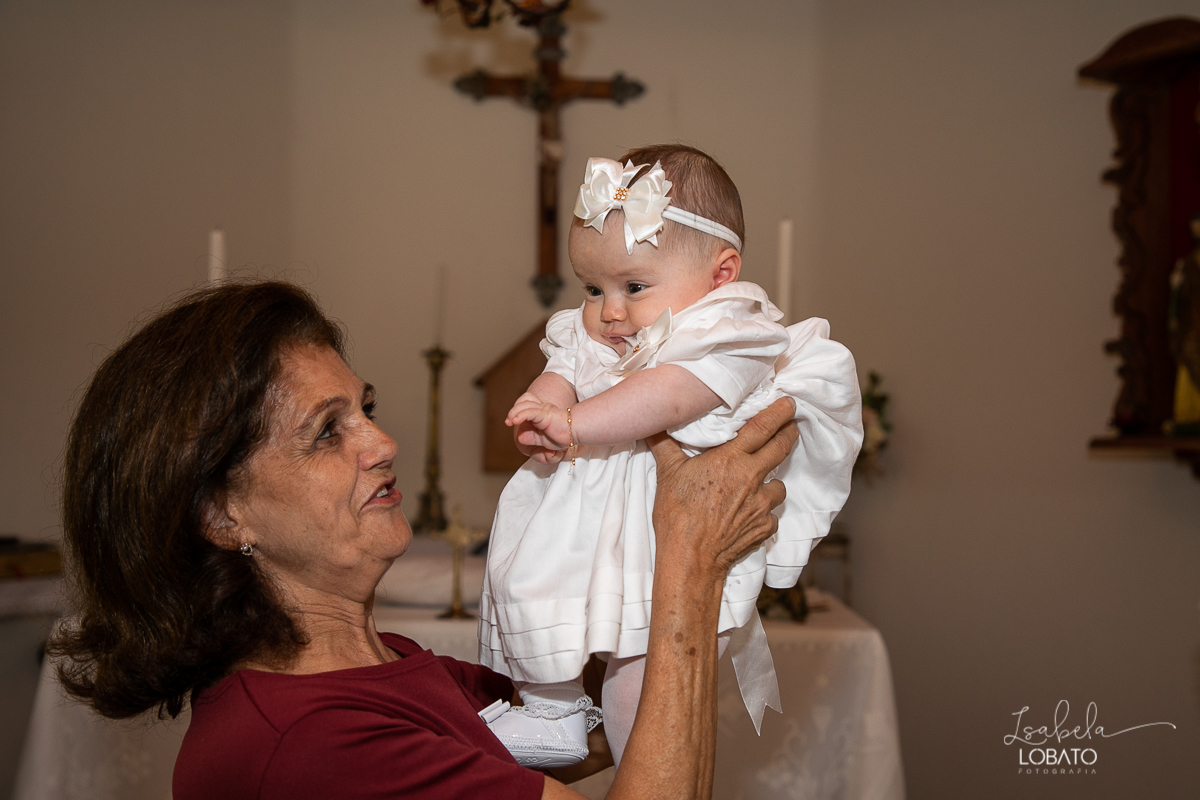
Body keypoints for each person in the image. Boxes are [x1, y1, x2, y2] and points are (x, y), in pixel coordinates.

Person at [48, 279, 800, 799]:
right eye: (326, 433)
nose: (382, 441)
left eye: (365, 408)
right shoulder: (307, 743)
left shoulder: (389, 671)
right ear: (222, 516)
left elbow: (598, 733)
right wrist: (689, 565)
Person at [479, 145, 863, 767]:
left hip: (671, 544)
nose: (609, 311)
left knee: (647, 675)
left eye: (633, 286)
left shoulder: (731, 332)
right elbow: (564, 367)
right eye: (593, 287)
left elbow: (669, 396)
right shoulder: (596, 326)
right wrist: (540, 403)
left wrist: (573, 423)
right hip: (587, 518)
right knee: (530, 578)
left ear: (720, 275)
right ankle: (553, 708)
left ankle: (649, 769)